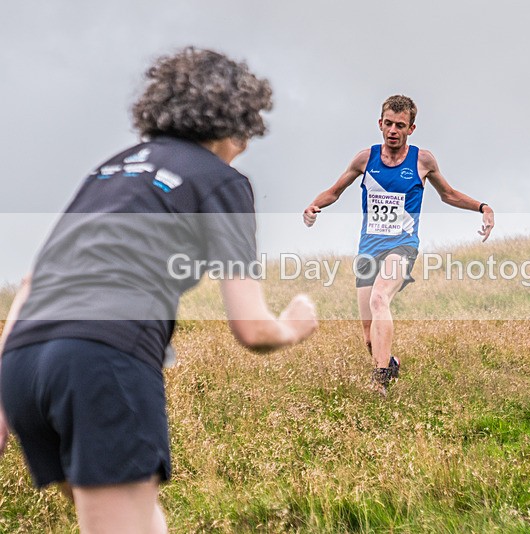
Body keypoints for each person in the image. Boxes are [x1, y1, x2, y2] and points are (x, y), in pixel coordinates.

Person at [0, 47, 317, 533]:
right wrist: (294, 324)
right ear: (234, 124)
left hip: (22, 366)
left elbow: (31, 284)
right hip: (101, 361)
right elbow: (252, 328)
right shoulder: (221, 180)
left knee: (139, 519)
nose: (244, 147)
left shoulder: (111, 169)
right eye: (247, 132)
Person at [303, 95, 494, 394]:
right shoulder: (365, 159)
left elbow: (448, 194)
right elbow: (335, 190)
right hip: (368, 248)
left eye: (400, 125)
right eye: (389, 124)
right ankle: (390, 363)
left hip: (403, 246)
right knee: (369, 337)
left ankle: (379, 381)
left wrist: (483, 207)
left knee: (380, 299)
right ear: (380, 124)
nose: (393, 130)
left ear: (411, 129)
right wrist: (314, 206)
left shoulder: (422, 161)